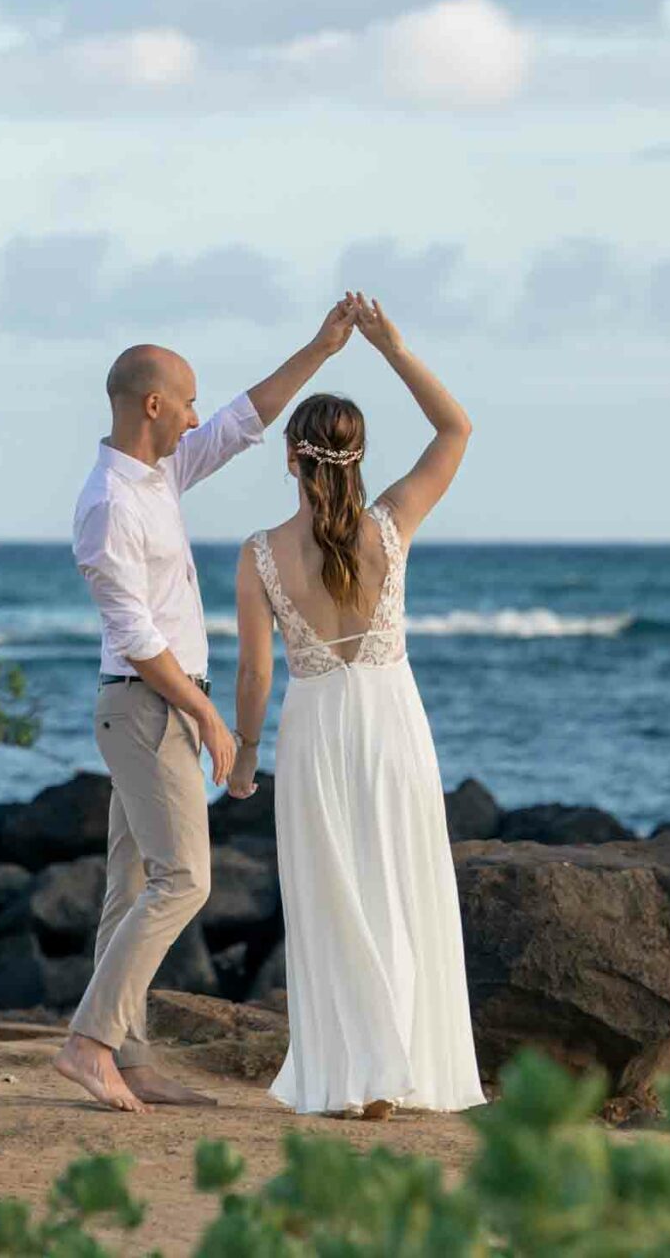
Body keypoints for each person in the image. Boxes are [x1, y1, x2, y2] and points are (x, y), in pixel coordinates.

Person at [50, 300, 359, 1115]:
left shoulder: (161, 473)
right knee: (185, 878)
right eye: (185, 402)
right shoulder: (108, 503)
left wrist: (321, 348)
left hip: (156, 707)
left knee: (131, 887)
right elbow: (136, 639)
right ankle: (88, 1042)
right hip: (146, 706)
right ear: (152, 404)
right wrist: (211, 716)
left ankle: (131, 1057)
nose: (195, 416)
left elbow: (243, 420)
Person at [226, 292, 485, 1119]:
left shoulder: (260, 553)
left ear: (291, 459)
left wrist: (243, 754)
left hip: (314, 728)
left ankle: (356, 1071)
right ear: (360, 454)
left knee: (331, 900)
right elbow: (456, 429)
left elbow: (256, 675)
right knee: (398, 887)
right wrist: (392, 347)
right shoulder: (393, 523)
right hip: (391, 722)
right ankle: (395, 1062)